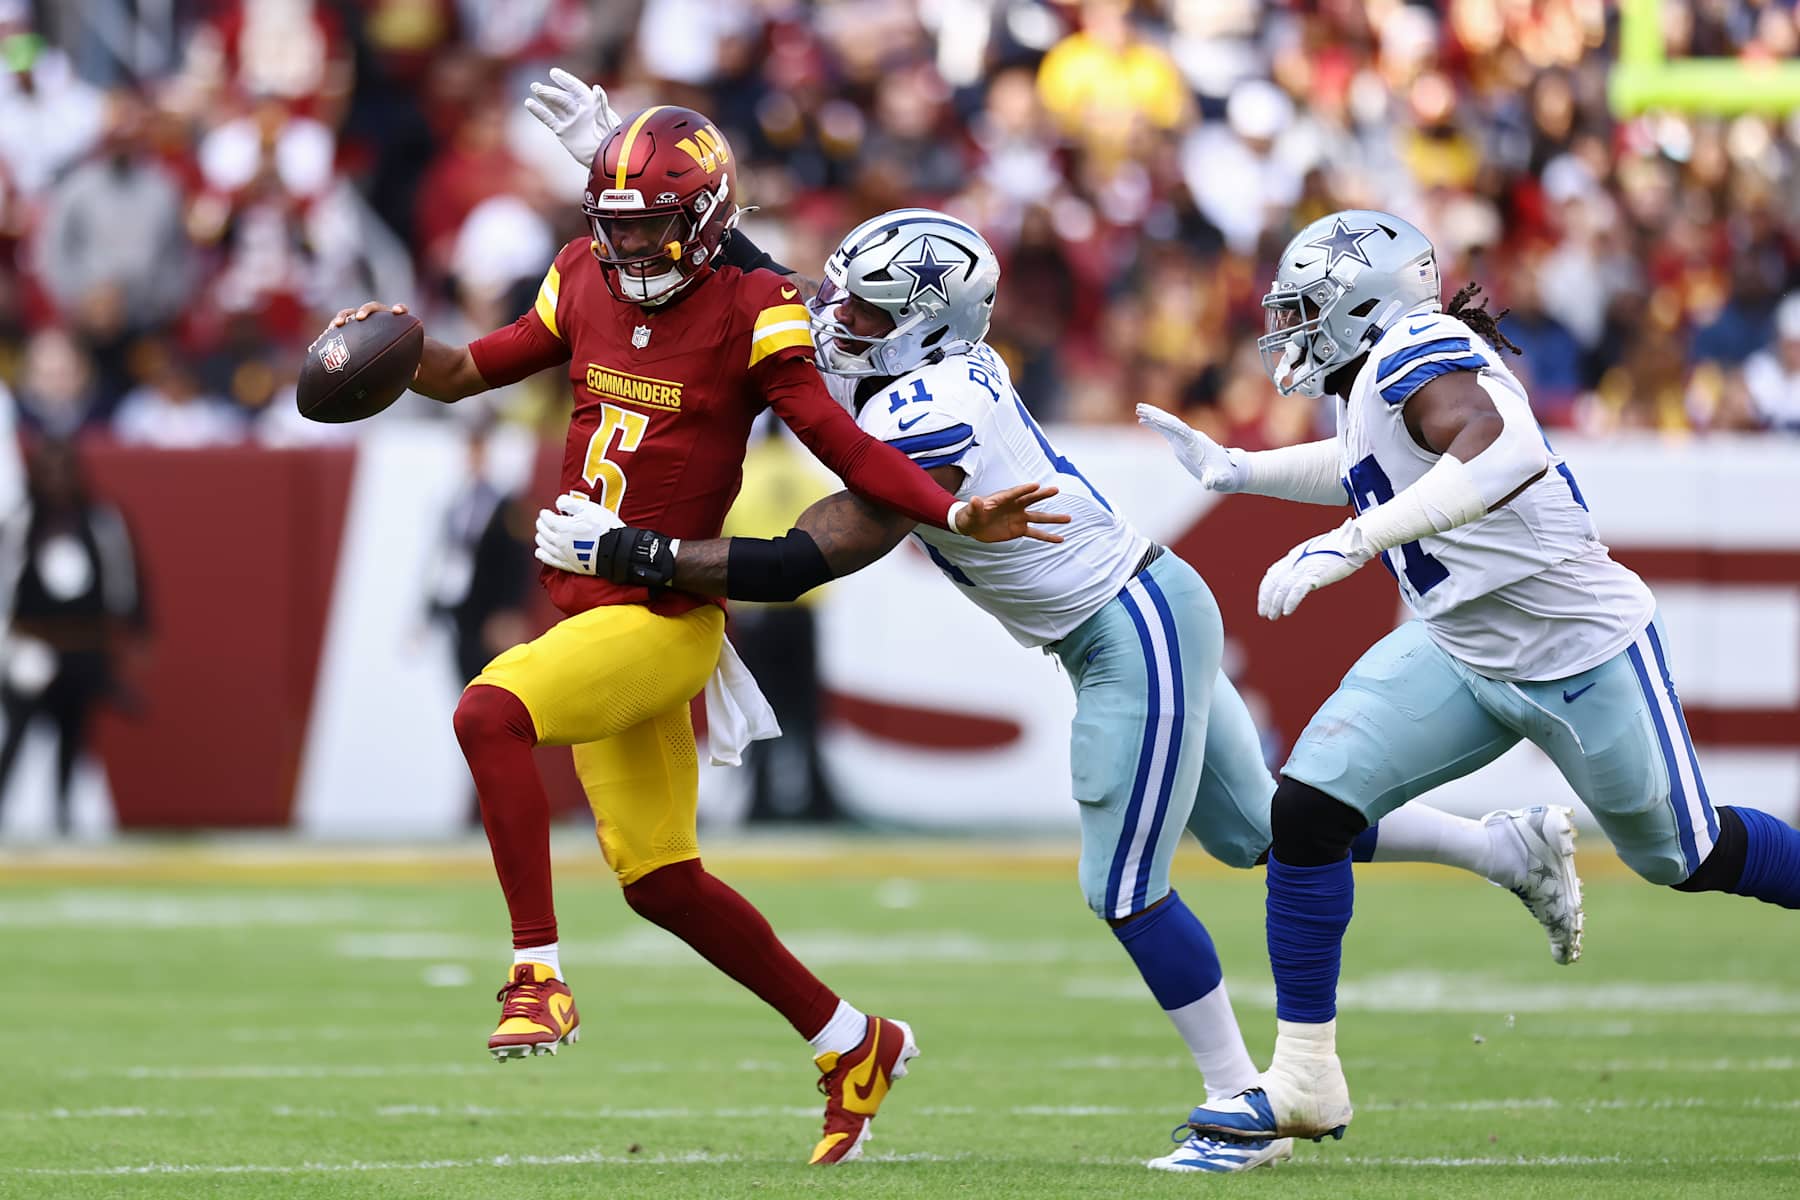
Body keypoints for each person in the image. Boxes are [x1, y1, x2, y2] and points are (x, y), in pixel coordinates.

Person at [535, 207, 1587, 1174]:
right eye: (844, 300)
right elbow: (773, 289)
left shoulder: (933, 406)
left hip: (1130, 626)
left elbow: (805, 558)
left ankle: (1242, 1106)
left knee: (1122, 886)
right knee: (1261, 830)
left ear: (926, 323)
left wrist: (635, 551)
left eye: (865, 311)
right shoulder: (915, 363)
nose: (835, 321)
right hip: (1132, 616)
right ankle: (1504, 848)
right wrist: (667, 212)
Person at [327, 105, 1066, 1166]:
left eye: (650, 225)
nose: (628, 245)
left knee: (488, 713)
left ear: (710, 221)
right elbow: (461, 373)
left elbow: (841, 442)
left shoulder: (755, 309)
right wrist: (387, 346)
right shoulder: (578, 276)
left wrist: (948, 508)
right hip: (590, 607)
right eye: (615, 223)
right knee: (662, 881)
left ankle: (536, 974)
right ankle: (852, 1041)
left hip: (662, 615)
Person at [1141, 210, 1800, 1147]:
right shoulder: (1377, 375)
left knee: (1685, 857)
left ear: (1364, 303)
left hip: (1575, 652)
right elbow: (1367, 464)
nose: (1289, 329)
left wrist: (1355, 542)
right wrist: (1242, 471)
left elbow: (1505, 448)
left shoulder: (1418, 347)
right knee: (1308, 811)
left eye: (1306, 308)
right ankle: (1304, 1080)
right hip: (1460, 644)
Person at [0, 439, 146, 834]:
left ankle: (63, 816)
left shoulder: (101, 522)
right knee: (16, 732)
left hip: (83, 646)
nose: (57, 479)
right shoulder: (20, 523)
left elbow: (127, 580)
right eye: (48, 470)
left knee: (74, 731)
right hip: (31, 645)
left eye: (64, 469)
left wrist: (133, 632)